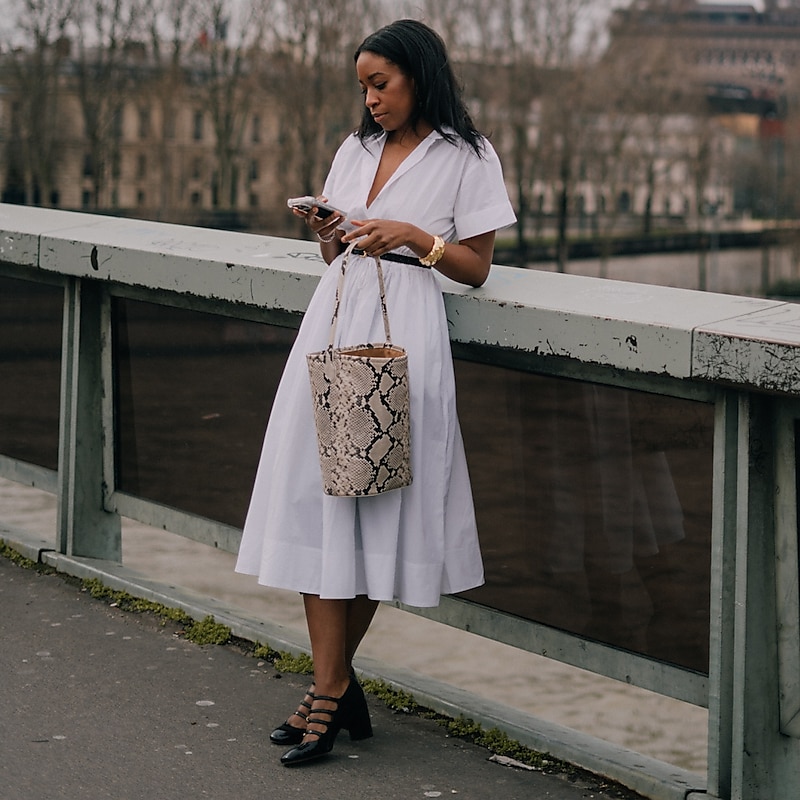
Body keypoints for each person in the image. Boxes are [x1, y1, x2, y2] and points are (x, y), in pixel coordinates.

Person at [235, 18, 516, 767]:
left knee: (372, 500)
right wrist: (330, 227)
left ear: (419, 75)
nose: (370, 98)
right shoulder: (355, 148)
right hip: (331, 320)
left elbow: (476, 265)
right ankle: (335, 686)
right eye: (363, 85)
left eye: (380, 83)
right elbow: (334, 249)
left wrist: (411, 236)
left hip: (403, 333)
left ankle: (328, 693)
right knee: (313, 494)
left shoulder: (469, 156)